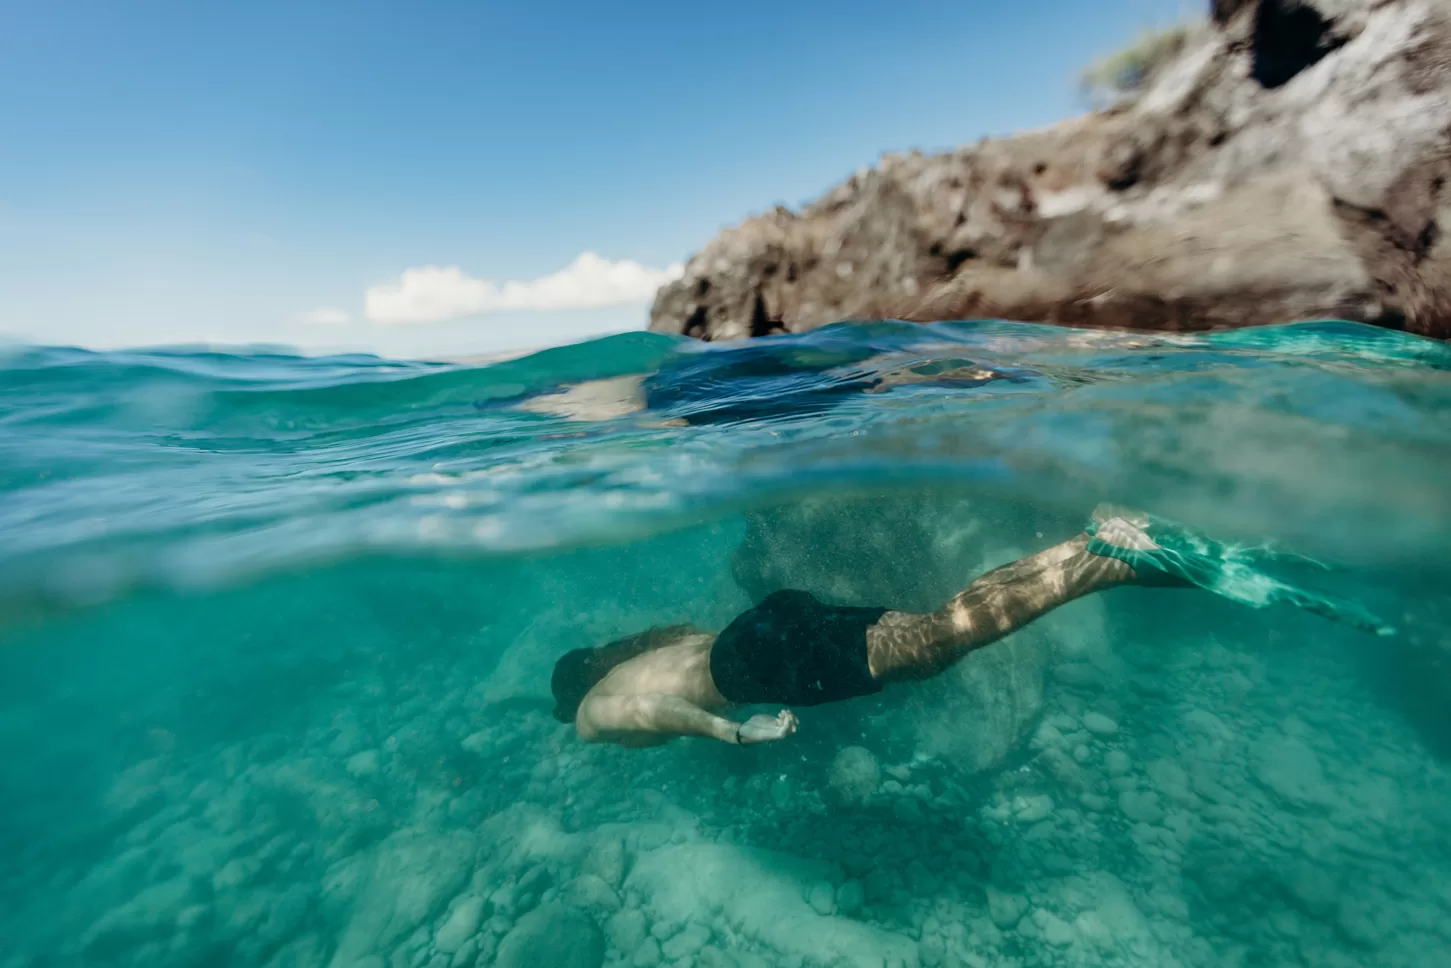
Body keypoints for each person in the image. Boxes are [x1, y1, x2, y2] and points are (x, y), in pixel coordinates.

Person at [550, 506, 1393, 748]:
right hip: (761, 626)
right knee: (934, 628)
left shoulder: (591, 713)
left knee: (934, 645)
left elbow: (649, 712)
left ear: (574, 695)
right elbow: (685, 654)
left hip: (754, 668)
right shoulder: (637, 650)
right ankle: (1119, 553)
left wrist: (730, 734)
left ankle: (1101, 556)